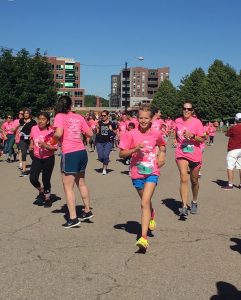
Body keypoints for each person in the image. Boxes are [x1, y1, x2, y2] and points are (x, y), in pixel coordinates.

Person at [119, 105, 166, 251]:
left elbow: (162, 145)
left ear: (151, 118)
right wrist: (135, 149)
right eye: (141, 118)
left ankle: (143, 238)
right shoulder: (130, 134)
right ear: (137, 118)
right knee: (145, 201)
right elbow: (121, 154)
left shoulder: (155, 134)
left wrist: (162, 154)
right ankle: (152, 213)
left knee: (144, 202)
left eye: (146, 118)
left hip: (152, 171)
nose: (143, 120)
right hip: (136, 172)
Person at [53, 95, 94, 228]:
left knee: (68, 187)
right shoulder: (79, 117)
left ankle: (73, 218)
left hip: (70, 153)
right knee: (81, 183)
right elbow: (90, 133)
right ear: (70, 105)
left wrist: (52, 137)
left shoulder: (59, 116)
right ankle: (87, 210)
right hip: (81, 152)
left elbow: (58, 134)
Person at [175, 101, 204, 217]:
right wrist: (177, 141)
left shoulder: (197, 123)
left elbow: (202, 139)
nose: (186, 110)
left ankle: (194, 201)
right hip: (181, 153)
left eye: (189, 109)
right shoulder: (177, 121)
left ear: (192, 111)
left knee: (194, 181)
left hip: (195, 155)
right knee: (183, 178)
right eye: (184, 108)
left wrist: (192, 136)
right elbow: (177, 135)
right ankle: (183, 206)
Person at [29, 112, 58, 207]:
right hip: (37, 157)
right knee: (32, 178)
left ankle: (47, 198)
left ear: (47, 121)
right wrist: (31, 144)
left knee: (46, 179)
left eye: (43, 119)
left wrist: (45, 145)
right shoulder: (34, 128)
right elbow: (32, 138)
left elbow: (55, 148)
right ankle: (41, 190)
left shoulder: (51, 132)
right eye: (39, 119)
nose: (40, 121)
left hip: (48, 158)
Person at [222, 113, 241, 190]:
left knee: (230, 167)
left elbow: (227, 134)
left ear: (236, 119)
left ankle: (230, 184)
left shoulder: (234, 127)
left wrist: (232, 126)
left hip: (233, 149)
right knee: (240, 167)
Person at [95, 110, 117, 175]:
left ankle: (104, 169)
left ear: (107, 116)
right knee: (100, 157)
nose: (103, 117)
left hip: (108, 142)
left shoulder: (112, 123)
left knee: (106, 156)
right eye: (102, 115)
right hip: (99, 141)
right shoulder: (99, 122)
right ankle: (105, 161)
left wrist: (111, 130)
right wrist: (97, 128)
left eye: (104, 115)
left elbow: (115, 132)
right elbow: (96, 133)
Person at [19, 108, 37, 177]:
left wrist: (30, 135)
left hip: (30, 140)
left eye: (27, 113)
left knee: (32, 154)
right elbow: (20, 128)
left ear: (29, 114)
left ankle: (37, 165)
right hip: (23, 139)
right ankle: (23, 170)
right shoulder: (21, 120)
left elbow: (35, 130)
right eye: (24, 113)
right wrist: (20, 131)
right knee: (23, 154)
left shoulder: (33, 122)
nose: (26, 114)